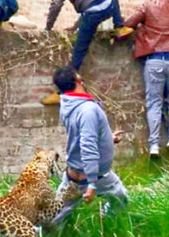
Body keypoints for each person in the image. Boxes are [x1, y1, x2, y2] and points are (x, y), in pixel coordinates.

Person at [42, 0, 134, 106]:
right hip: (109, 5)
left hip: (92, 14)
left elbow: (56, 4)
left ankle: (60, 93)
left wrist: (48, 28)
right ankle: (119, 26)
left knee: (79, 51)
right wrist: (75, 27)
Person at [51, 65, 128, 224]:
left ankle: (39, 231)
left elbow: (82, 136)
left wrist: (107, 138)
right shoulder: (88, 110)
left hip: (73, 172)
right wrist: (92, 183)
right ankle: (106, 224)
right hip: (94, 175)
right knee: (120, 199)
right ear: (78, 80)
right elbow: (88, 146)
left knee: (55, 217)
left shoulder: (67, 104)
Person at [124, 0, 169, 159]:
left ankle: (154, 146)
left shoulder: (148, 5)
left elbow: (129, 23)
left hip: (155, 59)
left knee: (154, 102)